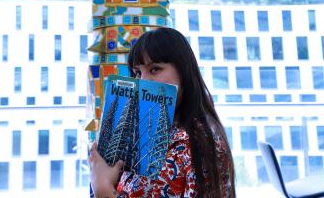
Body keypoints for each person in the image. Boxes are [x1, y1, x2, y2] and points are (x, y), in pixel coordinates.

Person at [89, 27, 236, 197]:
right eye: (137, 72)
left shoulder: (196, 142)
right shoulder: (149, 133)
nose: (142, 81)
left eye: (154, 69)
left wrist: (103, 191)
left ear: (183, 72)